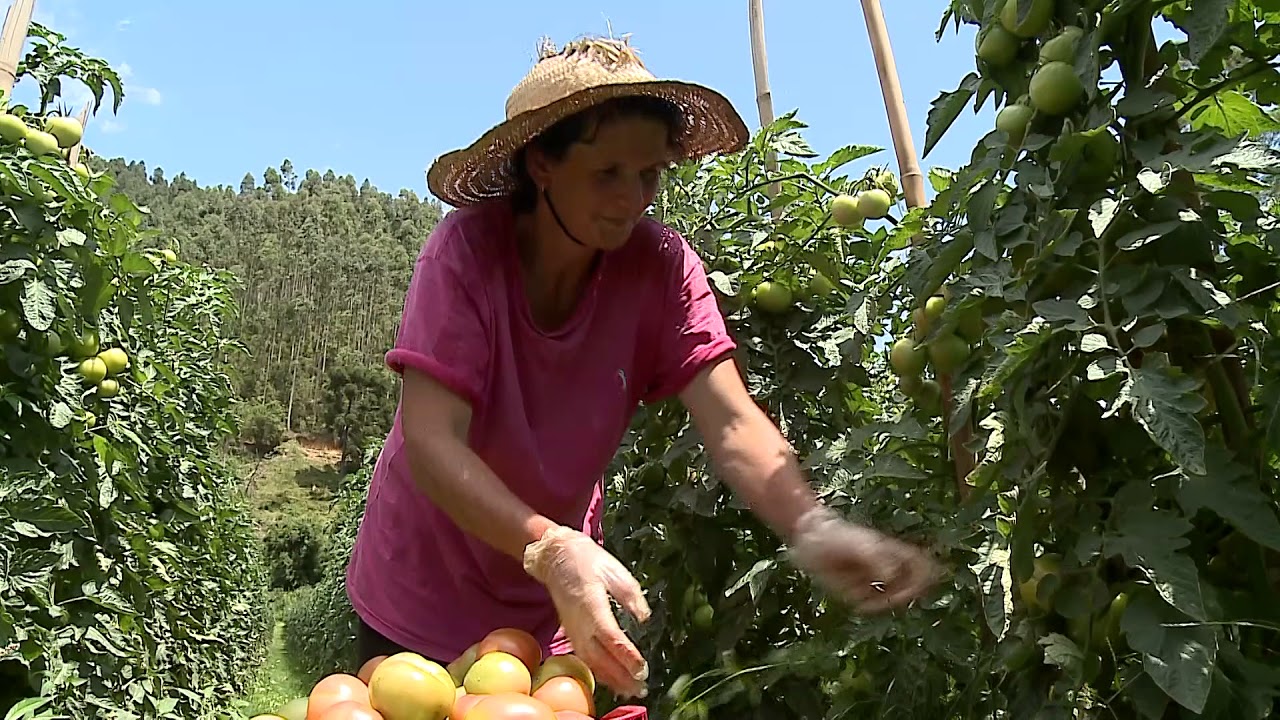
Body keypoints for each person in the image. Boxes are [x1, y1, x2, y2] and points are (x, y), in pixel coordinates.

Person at [345, 33, 939, 700]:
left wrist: (811, 523)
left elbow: (731, 420)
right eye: (607, 173)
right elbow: (431, 442)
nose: (633, 199)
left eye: (648, 175)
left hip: (556, 599)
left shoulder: (662, 269)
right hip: (423, 589)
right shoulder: (466, 254)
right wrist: (549, 546)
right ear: (541, 164)